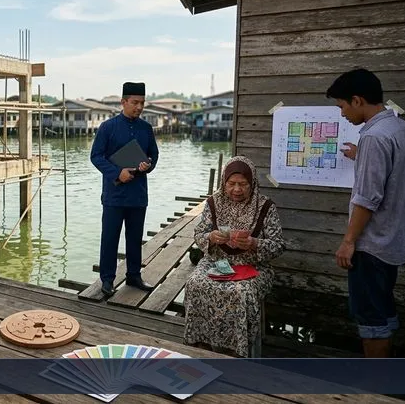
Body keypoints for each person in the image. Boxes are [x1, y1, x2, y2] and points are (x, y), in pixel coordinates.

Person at [326, 68, 405, 358]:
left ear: (357, 100)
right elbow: (394, 172)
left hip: (371, 246)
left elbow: (367, 198)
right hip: (393, 241)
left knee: (371, 320)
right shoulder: (399, 128)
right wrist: (360, 155)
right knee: (383, 310)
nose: (342, 113)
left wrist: (349, 241)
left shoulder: (373, 137)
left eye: (342, 106)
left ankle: (375, 389)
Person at [183, 156, 285, 357]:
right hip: (216, 262)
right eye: (231, 184)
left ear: (252, 183)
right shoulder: (214, 202)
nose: (236, 189)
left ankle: (237, 351)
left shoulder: (265, 206)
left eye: (242, 184)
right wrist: (210, 238)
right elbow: (198, 234)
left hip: (254, 267)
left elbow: (278, 245)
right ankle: (200, 345)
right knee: (195, 283)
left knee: (241, 292)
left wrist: (255, 244)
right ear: (224, 182)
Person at [90, 82, 159, 297]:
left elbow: (154, 155)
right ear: (123, 102)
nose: (139, 107)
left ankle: (134, 276)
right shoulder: (108, 127)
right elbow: (96, 156)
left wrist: (148, 165)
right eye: (135, 102)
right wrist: (117, 173)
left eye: (142, 103)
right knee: (110, 237)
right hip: (114, 194)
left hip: (138, 194)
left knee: (135, 237)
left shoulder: (146, 129)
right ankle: (108, 279)